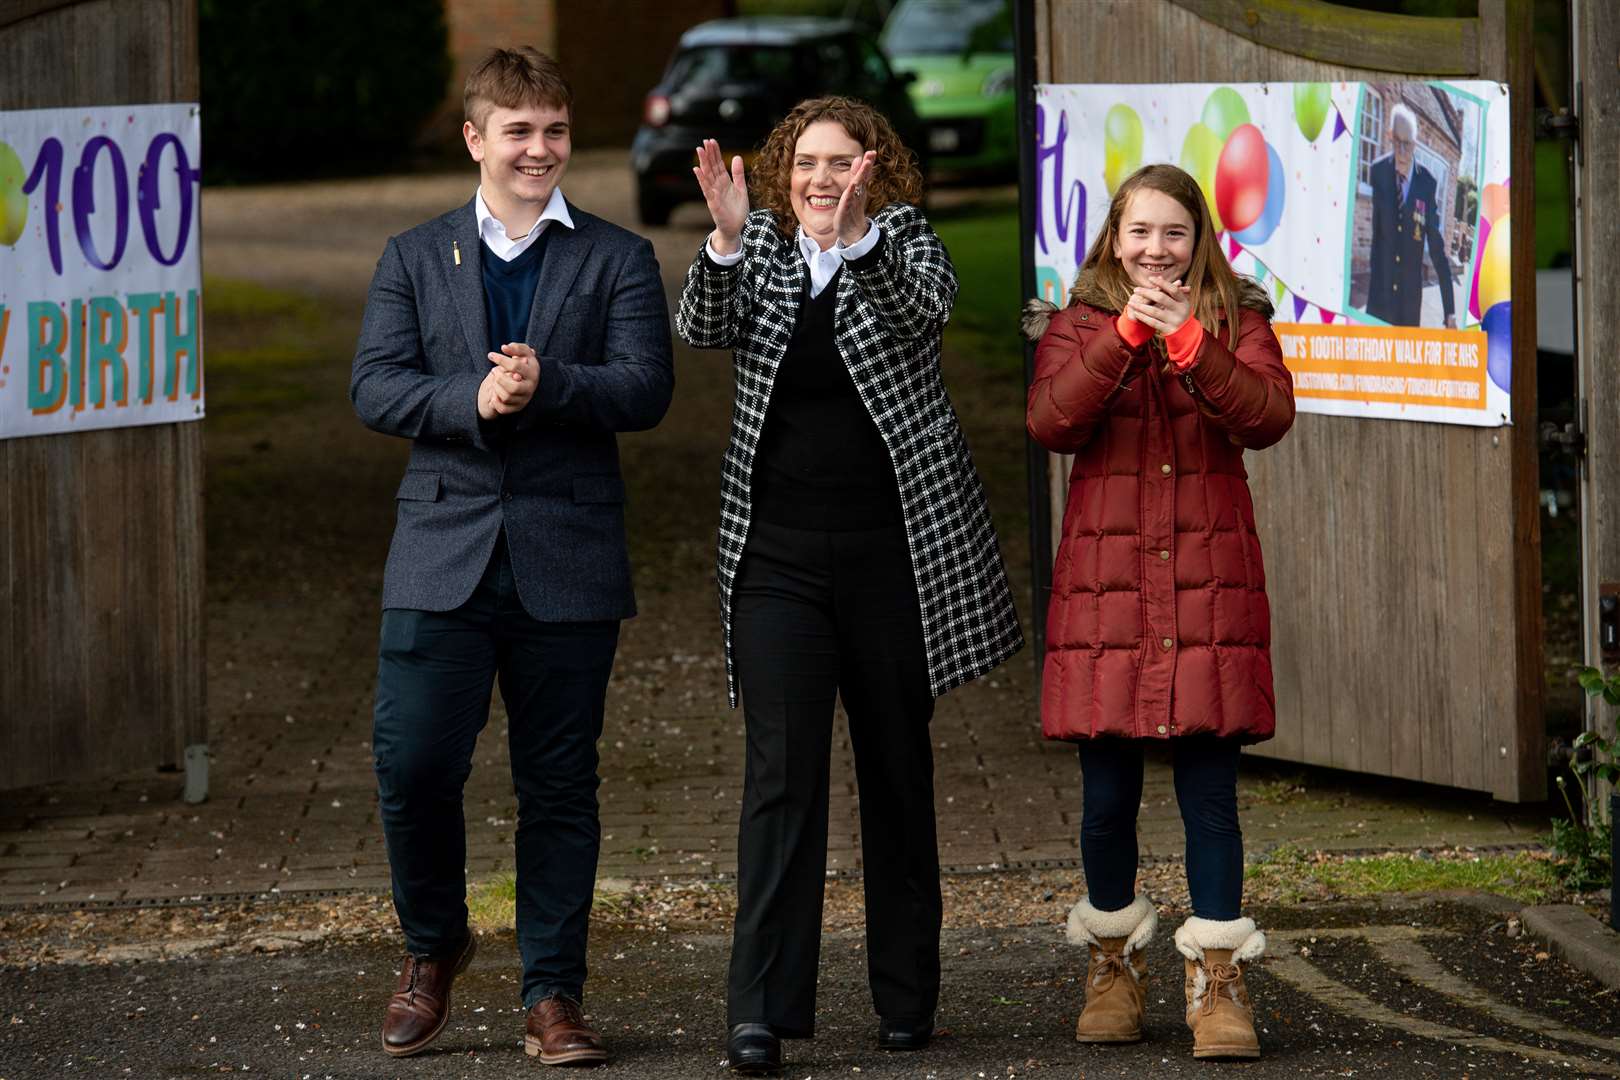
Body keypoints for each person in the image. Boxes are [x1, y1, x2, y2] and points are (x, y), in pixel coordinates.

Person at [675, 96, 1022, 1074]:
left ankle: (907, 998)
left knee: (896, 775)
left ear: (874, 169)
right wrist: (730, 238)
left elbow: (925, 315)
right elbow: (701, 326)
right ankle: (760, 1009)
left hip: (892, 560)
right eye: (807, 164)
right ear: (783, 172)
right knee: (781, 779)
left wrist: (859, 237)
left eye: (841, 162)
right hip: (778, 560)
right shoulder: (768, 248)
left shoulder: (905, 242)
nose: (822, 180)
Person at [349, 46, 673, 1065]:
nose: (541, 149)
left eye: (557, 131)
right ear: (476, 139)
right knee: (411, 764)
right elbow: (375, 386)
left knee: (560, 786)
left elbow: (646, 388)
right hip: (440, 551)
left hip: (567, 556)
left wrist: (552, 384)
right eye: (520, 131)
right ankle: (434, 945)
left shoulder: (616, 256)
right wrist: (469, 400)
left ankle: (552, 996)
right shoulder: (414, 254)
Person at [1022, 163, 1295, 1060]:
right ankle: (1111, 965)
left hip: (1206, 592)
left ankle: (1219, 986)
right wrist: (1127, 336)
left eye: (1174, 233)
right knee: (1107, 800)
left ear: (1199, 241)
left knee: (1210, 799)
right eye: (1141, 232)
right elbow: (1052, 421)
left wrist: (1188, 344)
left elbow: (1266, 415)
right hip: (1109, 600)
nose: (1156, 250)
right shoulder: (1076, 322)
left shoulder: (1236, 320)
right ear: (1114, 237)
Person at [1364, 103, 1456, 328]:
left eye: (1408, 144)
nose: (1402, 151)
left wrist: (1450, 312)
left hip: (1408, 305)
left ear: (1415, 143)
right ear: (1389, 137)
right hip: (1378, 300)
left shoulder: (1427, 183)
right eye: (1397, 142)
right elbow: (1378, 235)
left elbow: (1436, 248)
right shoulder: (1378, 172)